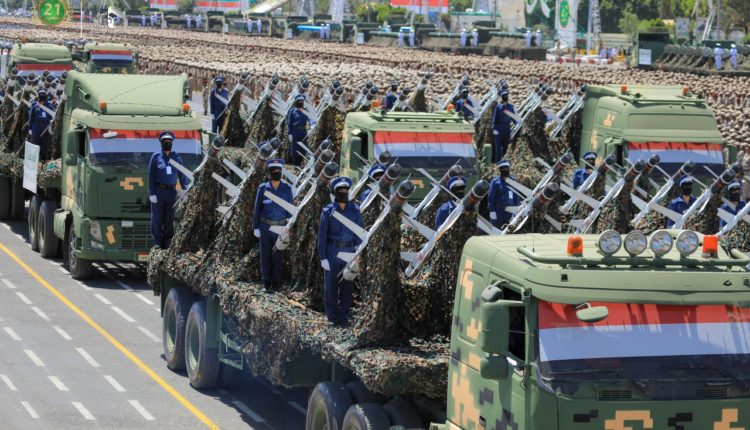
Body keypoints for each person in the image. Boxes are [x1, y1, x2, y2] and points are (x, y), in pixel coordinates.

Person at [318, 177, 364, 327]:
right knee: (330, 286)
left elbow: (359, 233)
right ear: (335, 192)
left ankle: (343, 317)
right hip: (332, 250)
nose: (344, 192)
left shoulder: (355, 210)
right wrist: (323, 257)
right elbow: (322, 235)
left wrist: (357, 253)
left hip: (349, 250)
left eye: (346, 190)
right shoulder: (328, 211)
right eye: (341, 190)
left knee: (347, 285)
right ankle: (332, 317)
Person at [253, 159, 294, 290]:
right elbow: (257, 208)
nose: (277, 172)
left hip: (280, 227)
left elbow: (290, 210)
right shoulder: (263, 188)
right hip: (265, 227)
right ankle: (266, 282)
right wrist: (255, 227)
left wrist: (288, 228)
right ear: (270, 173)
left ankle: (276, 282)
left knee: (278, 256)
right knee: (265, 255)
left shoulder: (287, 189)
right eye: (274, 170)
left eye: (279, 170)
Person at [149, 132, 190, 249]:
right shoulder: (156, 157)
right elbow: (151, 176)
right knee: (157, 217)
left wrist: (184, 189)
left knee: (169, 218)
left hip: (171, 192)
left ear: (172, 143)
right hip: (159, 191)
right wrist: (152, 193)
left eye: (169, 141)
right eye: (165, 141)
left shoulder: (176, 157)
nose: (167, 143)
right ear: (161, 143)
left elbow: (182, 174)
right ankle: (157, 241)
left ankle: (167, 240)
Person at [488, 160, 520, 229]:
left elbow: (516, 196)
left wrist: (516, 210)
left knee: (510, 230)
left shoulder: (513, 181)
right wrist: (492, 210)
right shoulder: (495, 182)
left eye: (507, 169)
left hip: (510, 211)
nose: (506, 170)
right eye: (503, 169)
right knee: (495, 230)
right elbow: (490, 197)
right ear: (500, 170)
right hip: (498, 210)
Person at [28, 88, 54, 159]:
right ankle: (36, 158)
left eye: (43, 94)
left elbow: (52, 116)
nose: (42, 95)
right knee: (35, 142)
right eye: (40, 94)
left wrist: (51, 123)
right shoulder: (34, 105)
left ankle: (43, 158)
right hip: (36, 126)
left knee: (45, 143)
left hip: (45, 126)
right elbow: (31, 118)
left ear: (46, 95)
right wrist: (30, 128)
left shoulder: (49, 105)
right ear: (38, 95)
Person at [491, 89, 516, 162]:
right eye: (504, 96)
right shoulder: (498, 107)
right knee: (498, 147)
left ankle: (504, 161)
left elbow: (513, 118)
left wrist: (517, 124)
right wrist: (494, 129)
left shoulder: (511, 107)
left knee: (506, 146)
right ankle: (498, 162)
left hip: (507, 128)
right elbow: (495, 118)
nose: (505, 97)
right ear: (501, 97)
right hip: (499, 128)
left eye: (506, 96)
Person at [286, 94, 309, 165]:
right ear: (296, 101)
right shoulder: (292, 111)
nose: (301, 102)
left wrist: (312, 124)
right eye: (299, 100)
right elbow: (289, 123)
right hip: (295, 131)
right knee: (294, 147)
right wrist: (290, 133)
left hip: (303, 131)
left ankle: (301, 161)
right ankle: (295, 162)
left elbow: (310, 119)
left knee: (303, 146)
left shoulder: (305, 111)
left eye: (302, 100)